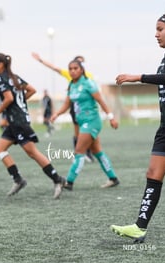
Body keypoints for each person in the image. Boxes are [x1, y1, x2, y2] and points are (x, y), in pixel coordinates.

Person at [110, 13, 165, 243]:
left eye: (160, 29)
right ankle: (139, 227)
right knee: (153, 174)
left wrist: (137, 77)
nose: (156, 34)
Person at [0, 53, 66, 199]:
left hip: (18, 122)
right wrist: (20, 104)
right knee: (0, 149)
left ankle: (58, 180)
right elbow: (32, 90)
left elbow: (9, 98)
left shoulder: (0, 78)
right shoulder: (14, 77)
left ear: (0, 65)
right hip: (16, 121)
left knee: (33, 153)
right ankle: (18, 180)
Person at [50, 59, 120, 191]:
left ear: (82, 70)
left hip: (91, 121)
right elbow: (66, 104)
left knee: (79, 151)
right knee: (97, 151)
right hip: (82, 122)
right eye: (70, 69)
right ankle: (113, 178)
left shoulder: (88, 84)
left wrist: (111, 118)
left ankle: (69, 182)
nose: (72, 71)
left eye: (75, 68)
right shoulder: (72, 85)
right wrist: (56, 114)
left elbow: (101, 101)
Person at [32, 52, 95, 162]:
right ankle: (79, 154)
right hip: (75, 107)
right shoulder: (69, 74)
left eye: (81, 63)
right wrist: (40, 60)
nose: (76, 68)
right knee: (77, 132)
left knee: (89, 132)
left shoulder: (89, 76)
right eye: (77, 62)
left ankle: (89, 153)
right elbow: (54, 68)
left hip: (87, 109)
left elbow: (94, 93)